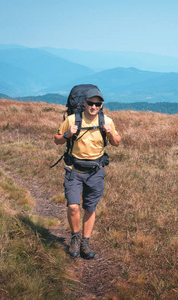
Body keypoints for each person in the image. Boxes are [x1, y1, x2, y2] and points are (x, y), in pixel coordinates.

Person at [54, 85, 121, 259]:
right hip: (74, 170)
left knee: (90, 207)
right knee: (73, 206)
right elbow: (57, 139)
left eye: (98, 104)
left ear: (102, 105)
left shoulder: (106, 121)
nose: (94, 107)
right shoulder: (72, 119)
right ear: (84, 103)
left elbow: (117, 142)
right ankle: (75, 237)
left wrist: (110, 134)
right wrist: (68, 134)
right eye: (90, 103)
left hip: (96, 171)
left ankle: (85, 241)